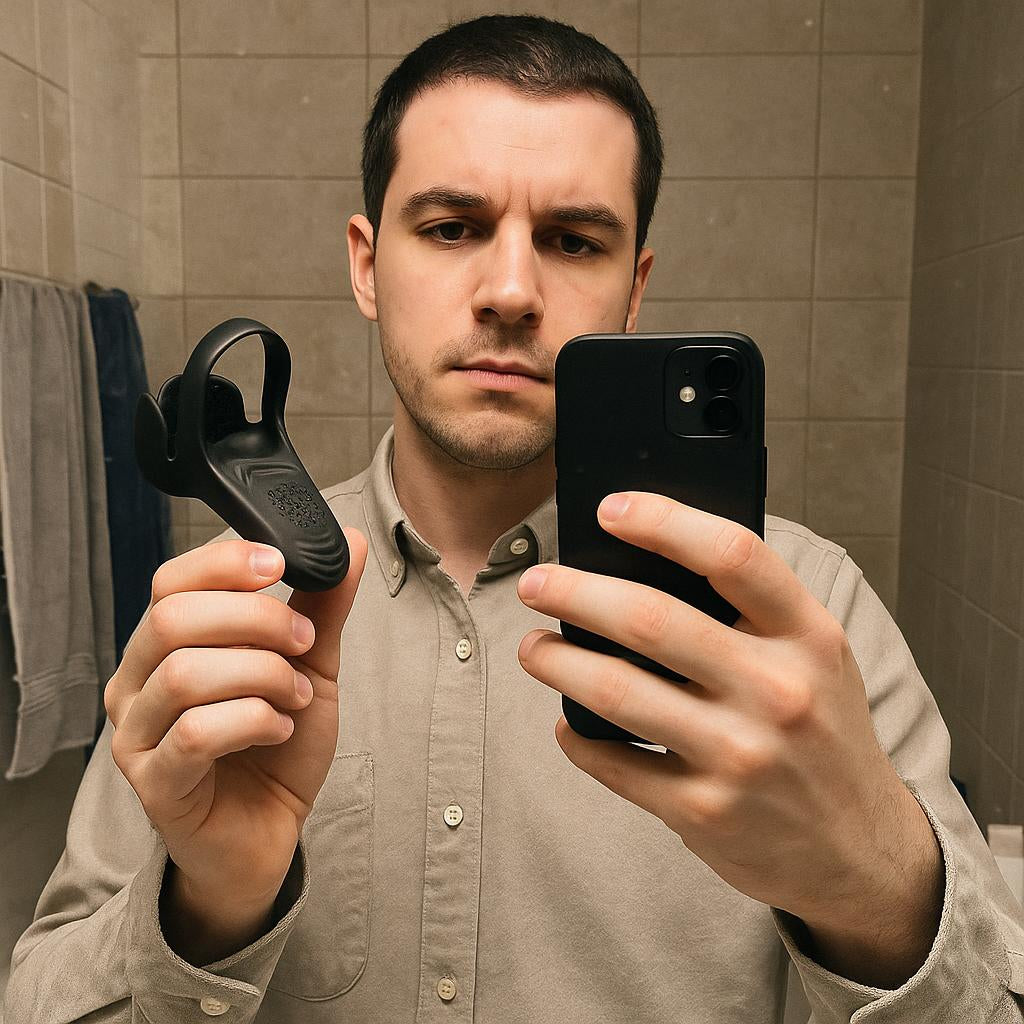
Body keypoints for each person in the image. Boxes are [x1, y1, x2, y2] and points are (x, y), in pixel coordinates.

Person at [6, 14, 1024, 1024]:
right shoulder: (236, 608)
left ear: (634, 288)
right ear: (366, 263)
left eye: (574, 240)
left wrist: (875, 888)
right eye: (451, 228)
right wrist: (207, 911)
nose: (509, 291)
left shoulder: (807, 614)